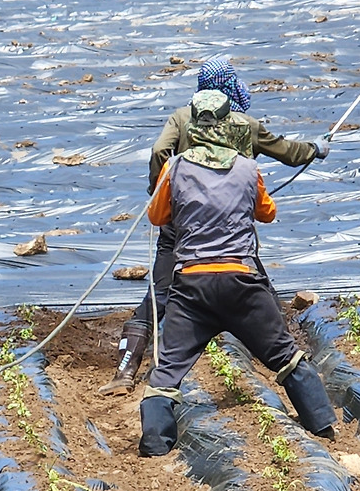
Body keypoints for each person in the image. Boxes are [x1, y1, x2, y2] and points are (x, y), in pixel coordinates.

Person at [102, 56, 329, 393]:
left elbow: (158, 151)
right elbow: (287, 151)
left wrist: (160, 189)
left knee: (159, 294)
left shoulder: (181, 118)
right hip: (231, 233)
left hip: (181, 229)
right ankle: (294, 368)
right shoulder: (246, 124)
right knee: (259, 292)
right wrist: (314, 149)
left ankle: (125, 372)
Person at [137, 89, 336, 457]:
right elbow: (267, 212)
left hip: (191, 286)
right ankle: (322, 424)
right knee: (285, 355)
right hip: (242, 282)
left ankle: (154, 444)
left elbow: (157, 217)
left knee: (166, 374)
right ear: (230, 124)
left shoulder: (174, 168)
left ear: (193, 126)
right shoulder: (247, 167)